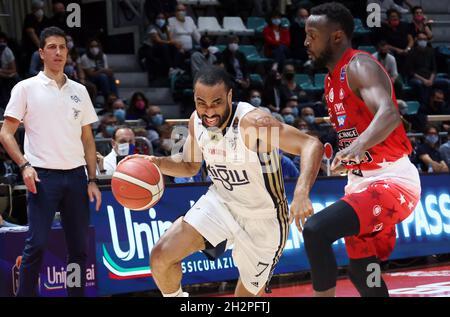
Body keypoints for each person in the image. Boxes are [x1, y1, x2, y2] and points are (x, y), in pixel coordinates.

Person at [123, 65, 323, 297]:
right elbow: (189, 165)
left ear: (229, 96)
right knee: (161, 256)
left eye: (216, 103)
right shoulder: (195, 121)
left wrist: (301, 192)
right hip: (221, 203)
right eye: (201, 103)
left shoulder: (254, 123)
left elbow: (311, 144)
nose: (208, 112)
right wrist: (155, 162)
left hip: (264, 219)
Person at [302, 2, 421, 297]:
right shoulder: (331, 81)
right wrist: (350, 157)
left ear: (337, 37)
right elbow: (358, 129)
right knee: (361, 269)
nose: (306, 42)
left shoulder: (359, 65)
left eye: (312, 35)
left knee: (316, 231)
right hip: (360, 182)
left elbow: (389, 113)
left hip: (393, 180)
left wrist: (357, 146)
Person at [0, 27, 102, 297]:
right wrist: (24, 165)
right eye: (52, 47)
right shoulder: (25, 88)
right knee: (36, 246)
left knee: (79, 249)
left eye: (63, 47)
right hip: (43, 177)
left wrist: (92, 179)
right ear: (41, 52)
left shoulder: (79, 90)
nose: (58, 52)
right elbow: (5, 133)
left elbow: (88, 139)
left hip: (77, 178)